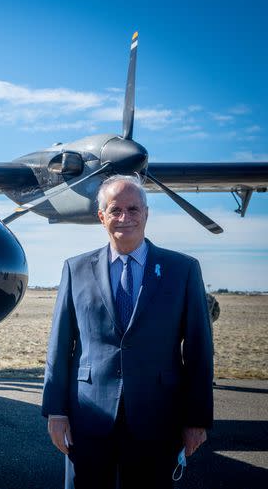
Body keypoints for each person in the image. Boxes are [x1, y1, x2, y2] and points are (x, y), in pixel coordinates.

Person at [41, 175, 214, 489]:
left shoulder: (182, 270)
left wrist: (197, 419)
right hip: (88, 415)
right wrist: (55, 411)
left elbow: (199, 350)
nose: (125, 217)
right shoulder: (75, 269)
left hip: (158, 416)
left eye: (134, 209)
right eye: (115, 209)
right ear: (101, 216)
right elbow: (60, 345)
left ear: (147, 214)